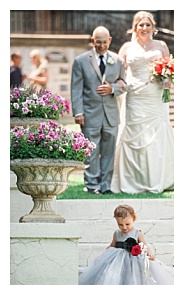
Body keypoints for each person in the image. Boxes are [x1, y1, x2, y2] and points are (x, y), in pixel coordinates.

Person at [112, 11, 174, 194]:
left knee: (157, 137)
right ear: (135, 27)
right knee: (133, 135)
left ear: (153, 27)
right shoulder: (126, 48)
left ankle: (158, 177)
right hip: (135, 95)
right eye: (141, 25)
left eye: (147, 25)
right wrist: (120, 82)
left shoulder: (161, 45)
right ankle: (132, 179)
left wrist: (168, 80)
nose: (144, 28)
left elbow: (169, 69)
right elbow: (117, 72)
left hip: (155, 95)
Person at [78, 204, 174, 285]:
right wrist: (103, 255)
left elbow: (145, 245)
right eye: (120, 224)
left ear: (133, 220)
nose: (124, 227)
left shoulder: (137, 233)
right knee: (116, 279)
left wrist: (150, 253)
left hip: (134, 262)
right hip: (118, 262)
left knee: (135, 283)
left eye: (127, 224)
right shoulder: (116, 233)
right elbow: (112, 246)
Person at [71, 26, 127, 195]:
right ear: (92, 40)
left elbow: (123, 84)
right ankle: (92, 185)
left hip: (111, 115)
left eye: (104, 42)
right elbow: (76, 89)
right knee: (91, 152)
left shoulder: (117, 61)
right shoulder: (80, 61)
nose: (101, 46)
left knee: (108, 153)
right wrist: (78, 112)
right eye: (98, 42)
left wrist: (113, 89)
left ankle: (106, 185)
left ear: (109, 40)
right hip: (89, 114)